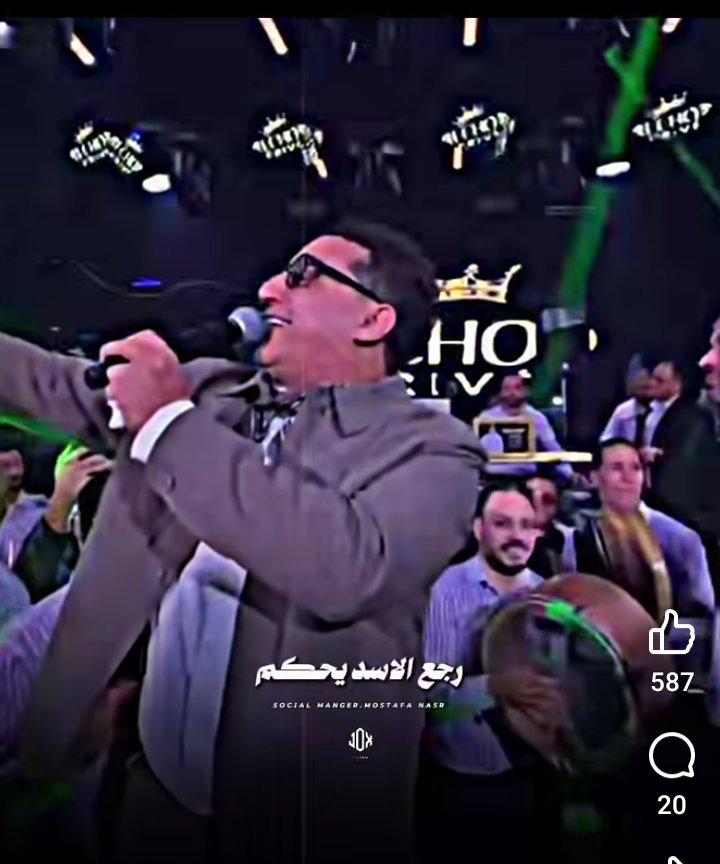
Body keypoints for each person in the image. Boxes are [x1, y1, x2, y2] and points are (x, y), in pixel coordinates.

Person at [9, 220, 485, 863]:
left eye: (302, 275)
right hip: (154, 795)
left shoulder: (435, 448)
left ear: (373, 320)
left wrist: (169, 425)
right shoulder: (210, 393)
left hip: (301, 824)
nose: (267, 289)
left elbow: (348, 571)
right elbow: (43, 384)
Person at [418, 483, 561, 864]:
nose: (517, 535)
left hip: (538, 777)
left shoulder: (549, 593)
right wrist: (495, 687)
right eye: (502, 523)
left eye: (526, 525)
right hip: (467, 783)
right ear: (479, 529)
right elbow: (433, 701)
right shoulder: (445, 591)